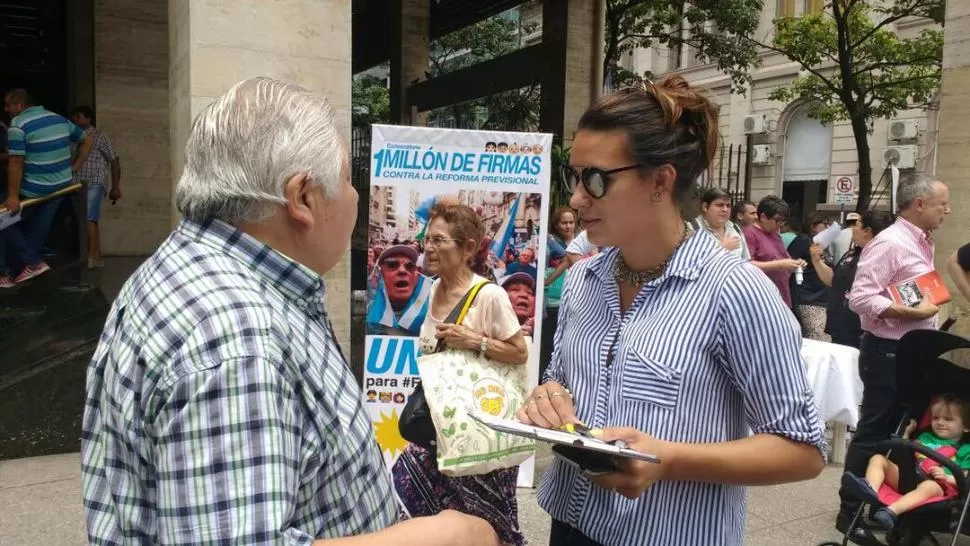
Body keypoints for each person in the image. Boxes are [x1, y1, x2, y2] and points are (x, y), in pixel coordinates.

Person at [80, 77, 499, 546]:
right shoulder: (235, 342)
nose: (355, 195)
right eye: (344, 179)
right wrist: (445, 536)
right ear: (301, 198)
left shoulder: (196, 267)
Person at [515, 75, 825, 546]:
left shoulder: (734, 291)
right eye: (572, 178)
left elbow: (803, 451)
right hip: (570, 521)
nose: (577, 199)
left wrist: (670, 458)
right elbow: (562, 378)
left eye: (595, 180)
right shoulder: (582, 280)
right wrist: (550, 395)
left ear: (660, 180)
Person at [392, 201, 529, 546]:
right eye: (427, 239)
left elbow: (519, 352)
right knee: (412, 502)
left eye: (439, 240)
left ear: (468, 248)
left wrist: (475, 340)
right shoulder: (431, 289)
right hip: (438, 430)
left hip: (476, 434)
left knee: (480, 526)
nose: (428, 247)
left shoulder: (490, 296)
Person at [837, 176, 950, 540]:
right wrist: (911, 314)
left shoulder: (921, 242)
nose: (946, 210)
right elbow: (861, 299)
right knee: (874, 432)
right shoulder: (890, 243)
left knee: (897, 431)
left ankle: (879, 504)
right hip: (887, 351)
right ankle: (849, 514)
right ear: (919, 203)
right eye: (941, 204)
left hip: (912, 352)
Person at [2, 88, 92, 286]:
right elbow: (86, 139)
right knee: (37, 230)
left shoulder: (17, 125)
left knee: (3, 222)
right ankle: (19, 271)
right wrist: (75, 166)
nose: (6, 109)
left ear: (20, 105)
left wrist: (13, 197)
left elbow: (16, 162)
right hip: (60, 186)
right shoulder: (59, 119)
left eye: (8, 105)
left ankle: (26, 265)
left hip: (35, 189)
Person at [842, 394, 970, 531]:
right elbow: (906, 453)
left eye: (948, 419)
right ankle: (870, 489)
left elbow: (964, 479)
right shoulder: (925, 436)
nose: (940, 422)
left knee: (930, 486)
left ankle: (891, 512)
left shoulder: (965, 449)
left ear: (966, 427)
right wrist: (906, 435)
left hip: (938, 486)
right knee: (878, 459)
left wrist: (946, 478)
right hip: (908, 477)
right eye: (936, 418)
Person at [811, 210, 894, 349]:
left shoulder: (880, 256)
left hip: (861, 332)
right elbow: (834, 280)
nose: (852, 229)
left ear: (867, 230)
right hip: (839, 326)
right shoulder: (853, 252)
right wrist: (816, 261)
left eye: (856, 225)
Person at [71, 105, 121, 269]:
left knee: (88, 218)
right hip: (77, 183)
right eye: (75, 117)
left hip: (94, 182)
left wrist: (115, 187)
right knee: (88, 219)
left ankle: (91, 257)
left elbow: (114, 160)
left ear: (89, 118)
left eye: (79, 116)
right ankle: (95, 255)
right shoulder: (73, 137)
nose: (75, 120)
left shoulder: (99, 136)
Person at [743, 195, 806, 309]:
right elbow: (746, 264)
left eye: (783, 220)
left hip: (781, 296)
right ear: (763, 216)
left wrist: (797, 264)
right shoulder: (750, 233)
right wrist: (780, 264)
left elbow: (785, 260)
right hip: (763, 299)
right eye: (777, 220)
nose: (780, 224)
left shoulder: (775, 234)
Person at [365, 244, 432, 336]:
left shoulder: (433, 313)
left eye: (410, 266)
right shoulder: (365, 314)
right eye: (392, 265)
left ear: (417, 277)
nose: (402, 270)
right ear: (376, 279)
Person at [542, 206, 577, 379]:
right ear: (556, 224)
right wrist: (548, 281)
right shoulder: (549, 241)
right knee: (549, 343)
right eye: (564, 223)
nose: (568, 226)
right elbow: (566, 259)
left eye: (571, 222)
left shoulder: (583, 240)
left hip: (572, 300)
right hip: (551, 301)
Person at [788, 213, 833, 341]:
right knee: (816, 337)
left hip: (819, 296)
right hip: (808, 297)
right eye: (824, 224)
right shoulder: (804, 241)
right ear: (813, 226)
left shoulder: (820, 244)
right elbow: (790, 261)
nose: (827, 227)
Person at [686, 187, 750, 260]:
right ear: (705, 207)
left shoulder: (735, 228)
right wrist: (722, 249)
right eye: (720, 205)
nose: (725, 209)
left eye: (728, 206)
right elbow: (687, 264)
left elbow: (746, 260)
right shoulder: (692, 228)